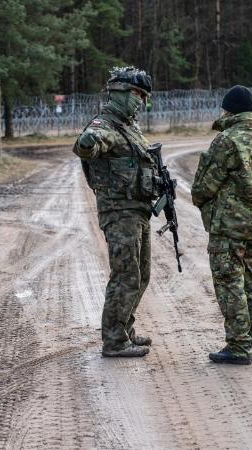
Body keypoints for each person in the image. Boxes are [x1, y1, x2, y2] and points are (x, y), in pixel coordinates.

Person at [73, 67, 158, 357]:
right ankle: (114, 340)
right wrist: (89, 143)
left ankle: (125, 330)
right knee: (125, 275)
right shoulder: (106, 125)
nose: (142, 102)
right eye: (138, 95)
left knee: (141, 275)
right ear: (121, 93)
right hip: (119, 212)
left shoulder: (129, 126)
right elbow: (90, 143)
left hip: (138, 210)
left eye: (144, 97)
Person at [191, 85, 252, 365]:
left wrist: (201, 200)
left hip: (228, 229)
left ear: (229, 110)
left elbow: (204, 186)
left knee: (230, 285)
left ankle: (238, 346)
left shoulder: (227, 141)